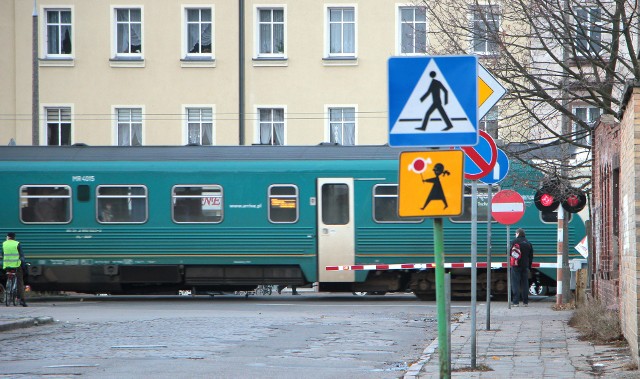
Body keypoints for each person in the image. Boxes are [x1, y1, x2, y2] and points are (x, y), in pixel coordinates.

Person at [509, 228, 534, 307]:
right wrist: (529, 266)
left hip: (516, 265)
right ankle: (525, 302)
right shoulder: (528, 243)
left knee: (515, 283)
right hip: (525, 266)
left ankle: (516, 302)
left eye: (516, 233)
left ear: (518, 233)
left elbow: (509, 252)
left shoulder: (514, 242)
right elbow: (531, 256)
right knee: (525, 283)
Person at [2, 232, 27, 306]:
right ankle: (22, 300)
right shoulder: (17, 243)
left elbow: (2, 254)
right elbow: (21, 256)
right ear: (14, 237)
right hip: (16, 265)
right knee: (20, 281)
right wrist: (23, 265)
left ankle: (8, 287)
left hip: (7, 266)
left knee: (9, 277)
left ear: (8, 237)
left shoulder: (4, 244)